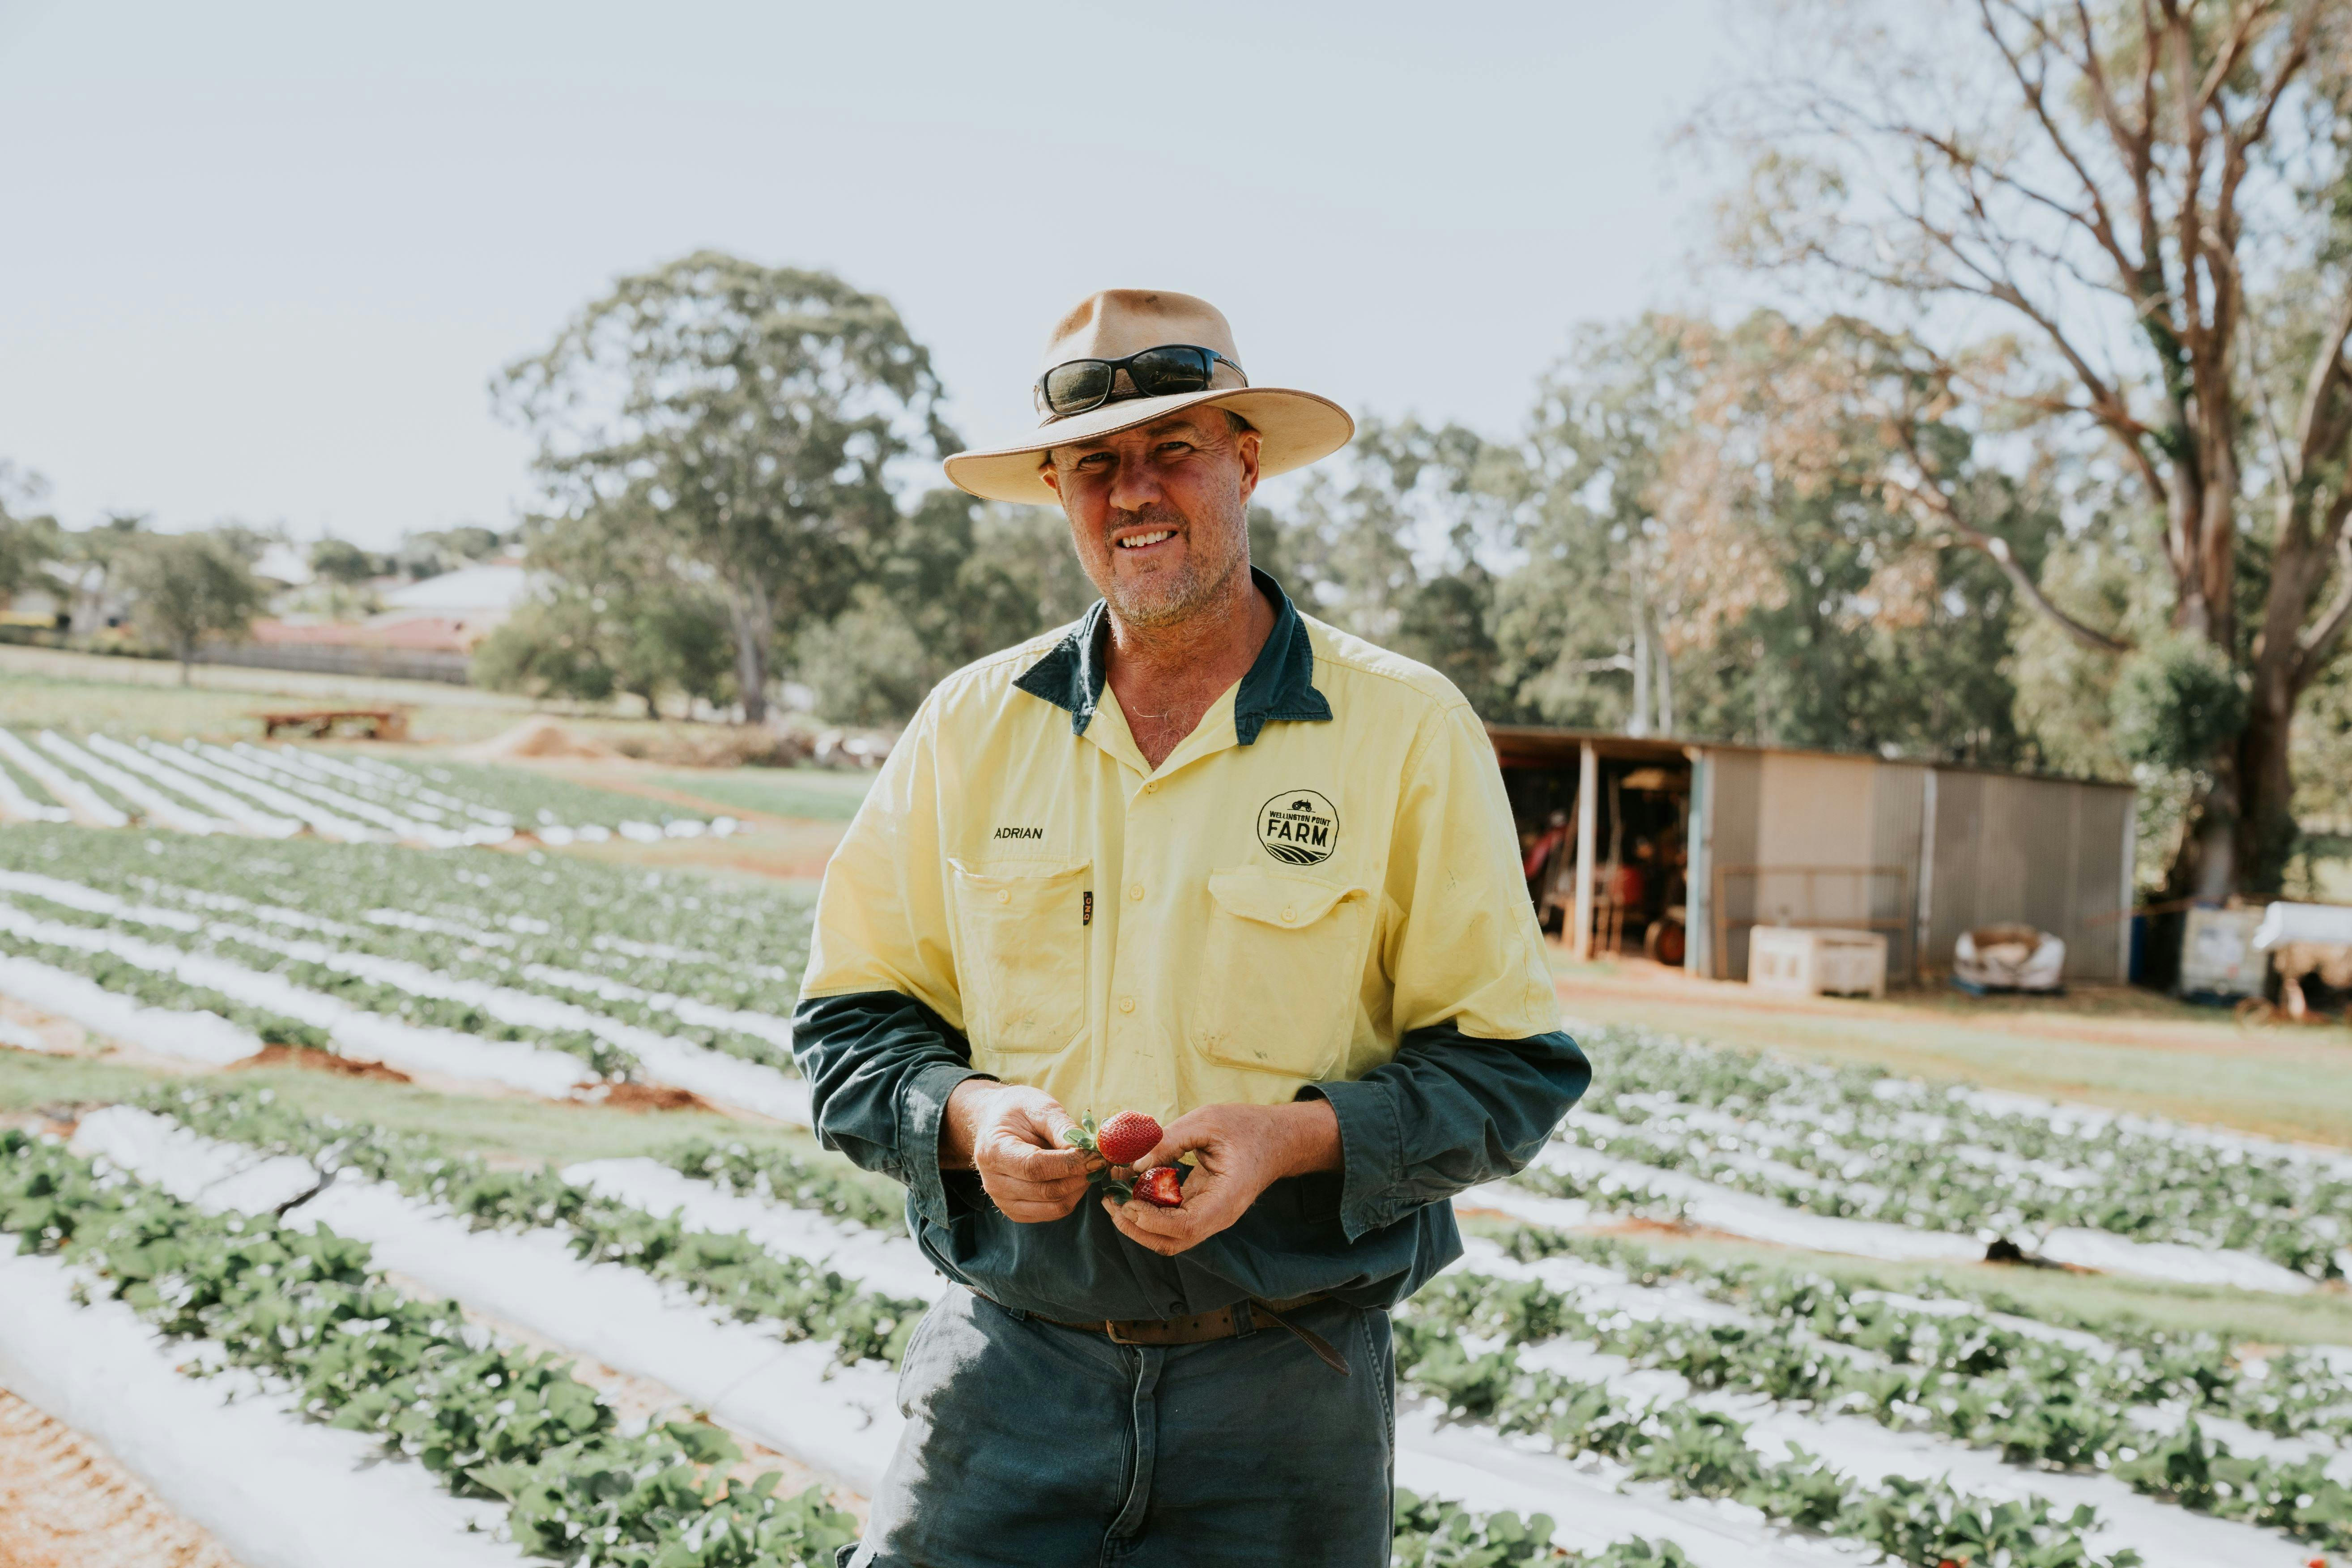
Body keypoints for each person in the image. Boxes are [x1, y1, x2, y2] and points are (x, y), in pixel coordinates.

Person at [794, 288, 1590, 1568]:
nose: (1135, 495)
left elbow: (1509, 1073)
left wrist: (1287, 1141)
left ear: (1247, 462)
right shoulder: (970, 727)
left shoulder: (1402, 729)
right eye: (1097, 466)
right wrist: (974, 1115)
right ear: (1057, 488)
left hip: (1286, 1396)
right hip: (1007, 1380)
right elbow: (850, 1027)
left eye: (1174, 450)